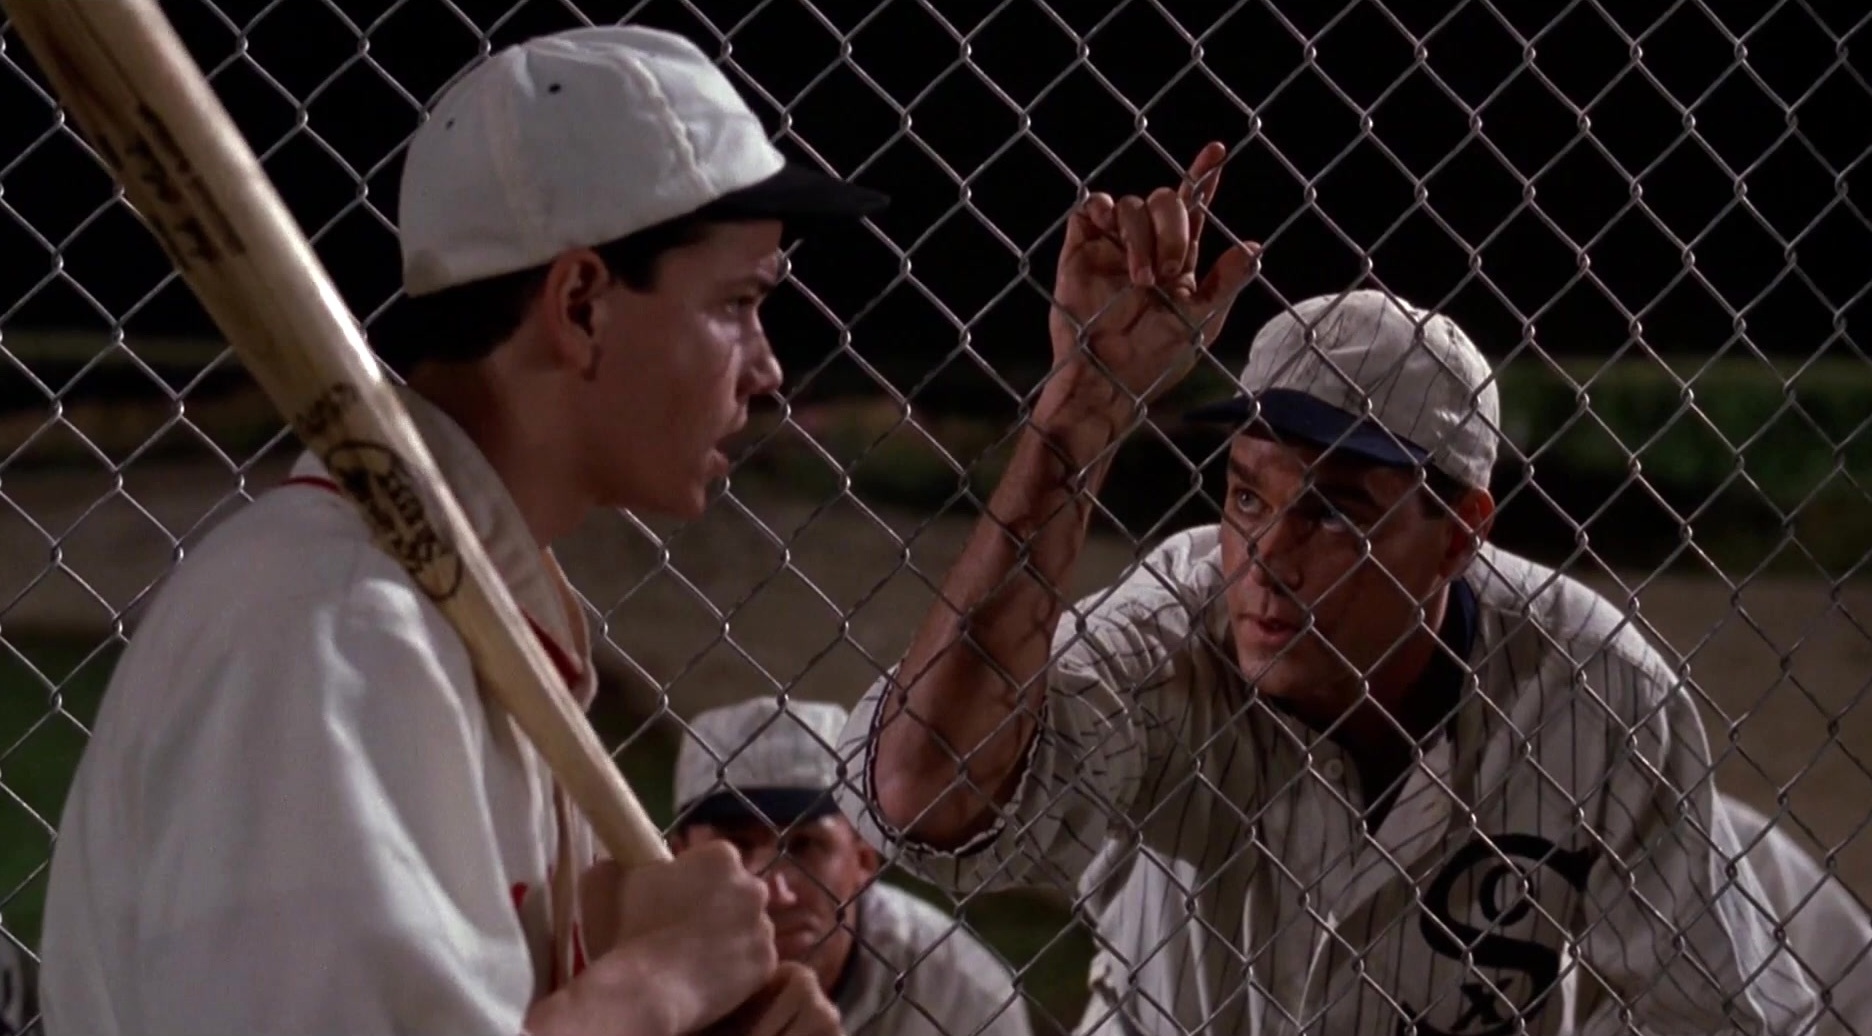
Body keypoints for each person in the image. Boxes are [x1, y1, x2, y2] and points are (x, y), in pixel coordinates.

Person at [826, 158, 1836, 1036]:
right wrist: (1079, 413)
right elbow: (923, 795)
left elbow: (1715, 1011)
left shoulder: (1595, 683)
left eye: (1335, 511)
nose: (1267, 557)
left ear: (1459, 534)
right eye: (1247, 496)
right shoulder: (1169, 635)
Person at [37, 24, 887, 1036]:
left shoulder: (457, 627)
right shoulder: (339, 630)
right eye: (738, 303)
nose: (768, 368)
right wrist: (657, 987)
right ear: (582, 305)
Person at [668, 698, 1033, 1036]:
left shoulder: (959, 995)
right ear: (679, 858)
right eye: (736, 848)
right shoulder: (643, 972)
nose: (773, 890)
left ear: (864, 856)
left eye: (804, 846)